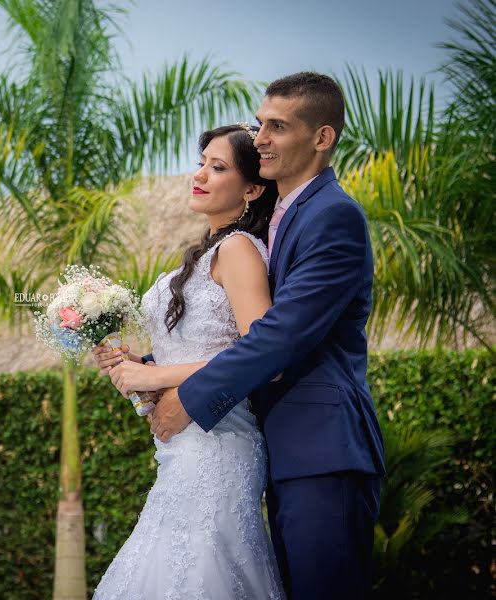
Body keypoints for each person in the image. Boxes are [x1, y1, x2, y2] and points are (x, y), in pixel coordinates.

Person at [146, 72, 385, 599]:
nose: (260, 140)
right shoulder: (275, 219)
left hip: (323, 450)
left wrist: (187, 395)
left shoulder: (334, 215)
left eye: (277, 127)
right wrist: (146, 364)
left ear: (322, 138)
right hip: (276, 449)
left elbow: (280, 335)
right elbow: (231, 328)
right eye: (259, 125)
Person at [91, 123, 284, 599]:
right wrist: (135, 363)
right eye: (201, 163)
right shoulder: (207, 252)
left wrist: (152, 373)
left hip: (219, 448)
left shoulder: (239, 250)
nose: (199, 174)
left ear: (252, 188)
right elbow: (202, 350)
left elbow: (260, 355)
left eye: (217, 167)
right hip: (180, 453)